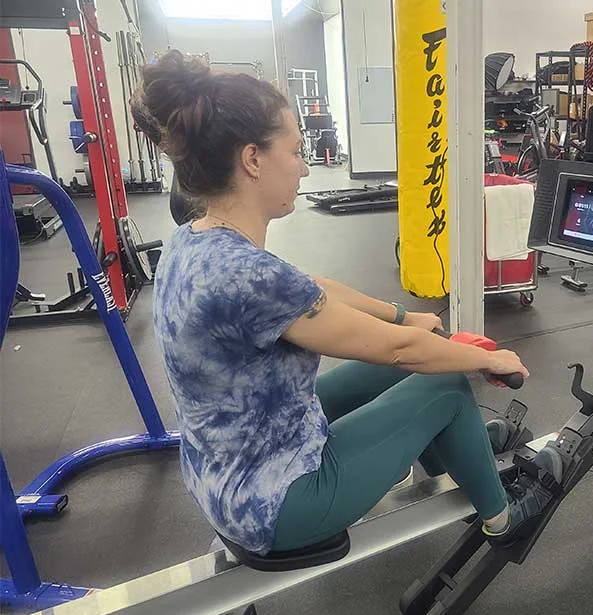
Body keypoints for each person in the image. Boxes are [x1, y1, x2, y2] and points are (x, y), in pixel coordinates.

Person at [130, 50, 565, 557]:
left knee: (416, 366)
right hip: (276, 504)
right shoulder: (248, 274)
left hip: (231, 466)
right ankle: (504, 520)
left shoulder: (193, 240)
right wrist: (489, 359)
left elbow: (309, 287)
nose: (305, 167)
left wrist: (405, 315)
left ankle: (456, 449)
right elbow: (401, 351)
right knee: (445, 383)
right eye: (294, 152)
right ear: (252, 159)